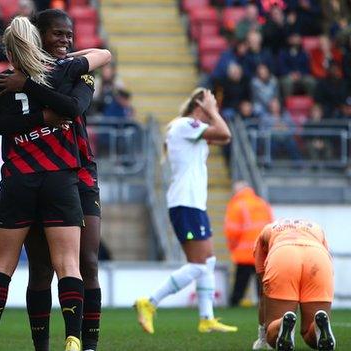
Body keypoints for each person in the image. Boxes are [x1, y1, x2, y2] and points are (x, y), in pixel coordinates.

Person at [0, 9, 112, 351]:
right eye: (58, 34)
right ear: (38, 37)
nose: (65, 41)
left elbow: (74, 108)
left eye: (69, 36)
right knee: (41, 268)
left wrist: (27, 85)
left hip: (79, 171)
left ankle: (88, 345)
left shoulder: (76, 73)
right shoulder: (25, 75)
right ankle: (43, 345)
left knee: (88, 261)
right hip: (51, 175)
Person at [134, 88, 237, 334]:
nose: (215, 110)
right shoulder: (185, 124)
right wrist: (212, 111)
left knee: (208, 261)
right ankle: (149, 302)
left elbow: (223, 138)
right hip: (185, 203)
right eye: (211, 105)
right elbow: (225, 132)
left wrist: (211, 112)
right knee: (200, 265)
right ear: (199, 105)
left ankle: (206, 318)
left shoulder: (191, 129)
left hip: (193, 204)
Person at [251, 219, 335, 351]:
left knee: (272, 334)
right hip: (318, 258)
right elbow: (329, 261)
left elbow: (263, 295)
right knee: (310, 331)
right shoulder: (317, 227)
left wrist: (262, 336)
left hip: (283, 255)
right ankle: (318, 328)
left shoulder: (266, 231)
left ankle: (281, 324)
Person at [223, 181, 273, 307]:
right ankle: (264, 305)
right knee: (261, 283)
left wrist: (232, 247)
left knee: (240, 283)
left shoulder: (237, 205)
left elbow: (232, 231)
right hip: (262, 251)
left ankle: (234, 303)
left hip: (244, 252)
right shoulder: (262, 203)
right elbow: (271, 225)